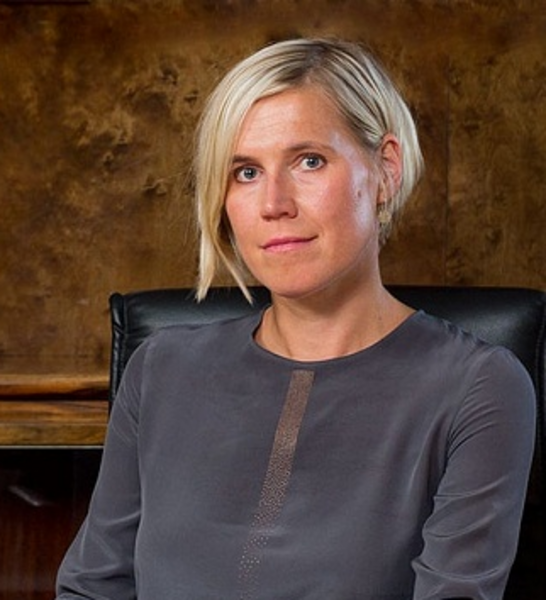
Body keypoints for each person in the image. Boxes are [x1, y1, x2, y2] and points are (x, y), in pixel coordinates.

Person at [56, 38, 535, 600]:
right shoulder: (160, 368)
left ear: (385, 169)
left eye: (309, 161)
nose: (273, 203)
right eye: (245, 172)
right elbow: (92, 588)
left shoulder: (479, 387)